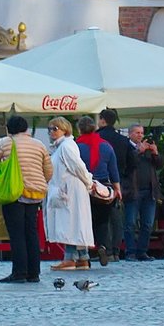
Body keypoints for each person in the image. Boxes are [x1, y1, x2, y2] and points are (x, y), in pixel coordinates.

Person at [0, 116, 50, 285]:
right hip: (35, 192)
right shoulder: (39, 144)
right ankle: (34, 272)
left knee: (17, 233)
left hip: (13, 191)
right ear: (26, 128)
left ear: (9, 128)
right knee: (31, 232)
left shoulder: (6, 142)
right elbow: (48, 170)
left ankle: (19, 272)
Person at [43, 117, 98, 273]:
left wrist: (88, 181)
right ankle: (82, 257)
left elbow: (78, 167)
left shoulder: (67, 146)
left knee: (70, 225)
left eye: (55, 129)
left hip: (71, 191)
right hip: (66, 190)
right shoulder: (60, 147)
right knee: (74, 224)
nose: (51, 132)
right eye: (50, 129)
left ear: (64, 129)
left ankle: (69, 258)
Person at [77, 116, 119, 265]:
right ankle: (102, 246)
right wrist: (117, 190)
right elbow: (114, 171)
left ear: (79, 129)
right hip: (103, 189)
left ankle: (85, 253)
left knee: (84, 222)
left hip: (83, 188)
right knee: (102, 221)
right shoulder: (106, 146)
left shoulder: (76, 147)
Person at [94, 111, 135, 261]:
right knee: (116, 217)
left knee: (102, 218)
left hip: (100, 181)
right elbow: (133, 163)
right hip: (120, 181)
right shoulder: (123, 140)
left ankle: (106, 248)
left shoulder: (97, 138)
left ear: (103, 120)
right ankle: (116, 251)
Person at [119, 124, 160, 261]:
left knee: (147, 224)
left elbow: (160, 165)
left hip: (149, 192)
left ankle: (142, 252)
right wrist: (138, 151)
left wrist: (155, 153)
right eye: (137, 132)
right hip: (133, 192)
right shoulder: (126, 148)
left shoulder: (147, 149)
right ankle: (130, 252)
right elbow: (128, 165)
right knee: (130, 223)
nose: (140, 135)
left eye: (141, 133)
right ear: (130, 134)